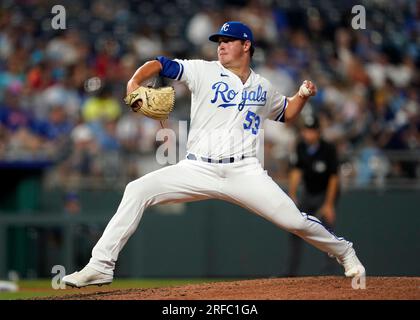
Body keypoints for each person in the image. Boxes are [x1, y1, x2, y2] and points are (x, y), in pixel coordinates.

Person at [62, 21, 365, 287]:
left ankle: (344, 251)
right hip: (197, 169)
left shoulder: (263, 86)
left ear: (246, 45)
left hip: (244, 171)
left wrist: (301, 95)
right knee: (136, 189)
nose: (221, 46)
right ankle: (100, 266)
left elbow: (286, 113)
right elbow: (160, 63)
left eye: (227, 41)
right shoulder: (203, 70)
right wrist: (134, 82)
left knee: (295, 222)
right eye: (219, 42)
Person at [285, 115, 340, 276]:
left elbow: (334, 177)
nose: (308, 134)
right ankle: (290, 272)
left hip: (325, 193)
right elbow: (296, 170)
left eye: (312, 130)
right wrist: (292, 194)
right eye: (306, 130)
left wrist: (329, 204)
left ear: (318, 132)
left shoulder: (328, 148)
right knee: (294, 227)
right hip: (308, 193)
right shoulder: (300, 146)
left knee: (327, 231)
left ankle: (330, 271)